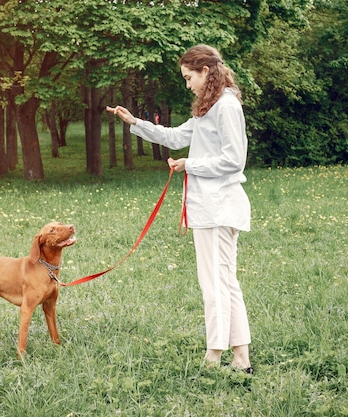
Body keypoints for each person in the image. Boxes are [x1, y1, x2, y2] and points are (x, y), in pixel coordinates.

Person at [106, 44, 253, 373]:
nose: (187, 84)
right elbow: (174, 137)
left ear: (206, 72)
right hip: (210, 208)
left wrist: (191, 164)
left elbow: (234, 160)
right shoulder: (208, 107)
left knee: (215, 282)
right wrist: (135, 122)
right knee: (225, 281)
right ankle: (241, 359)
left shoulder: (226, 106)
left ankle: (214, 358)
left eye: (189, 78)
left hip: (218, 207)